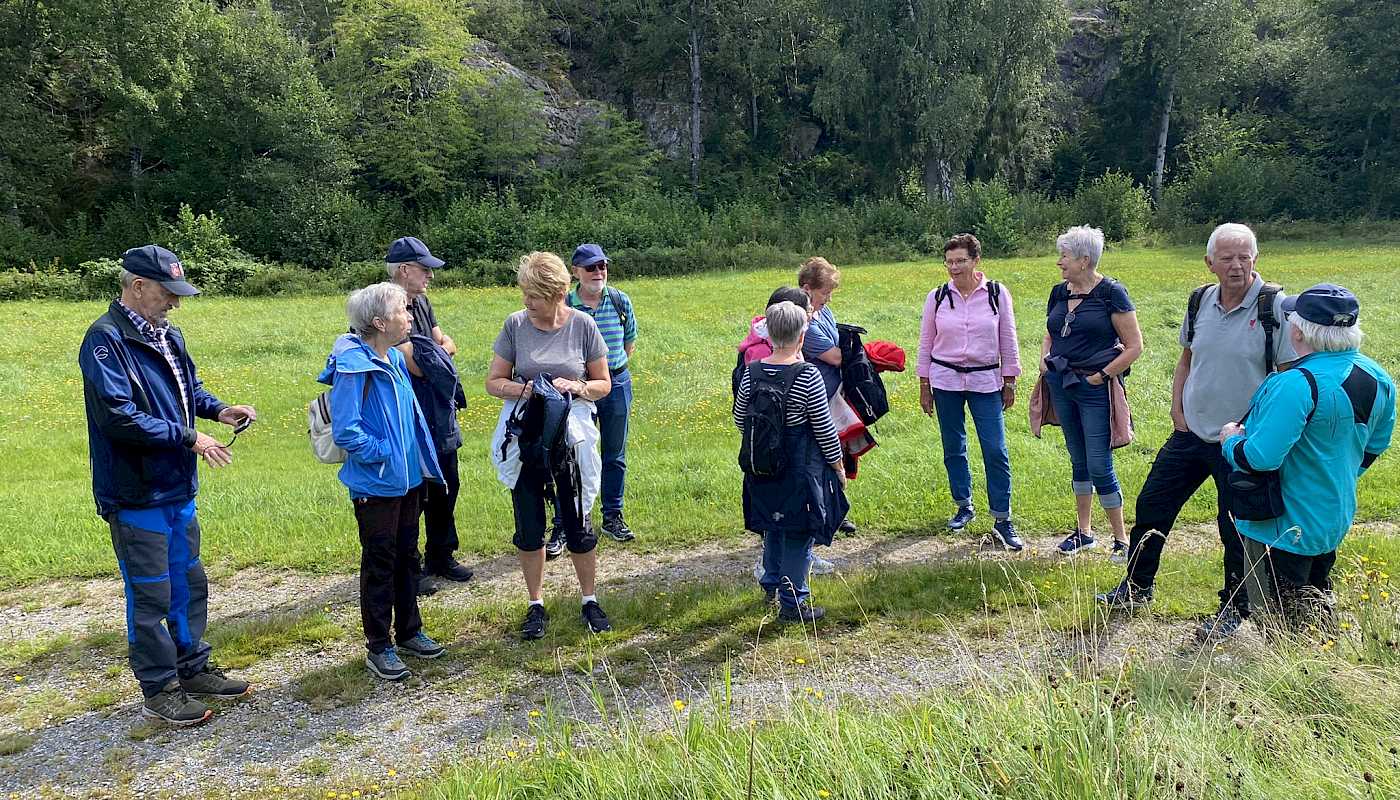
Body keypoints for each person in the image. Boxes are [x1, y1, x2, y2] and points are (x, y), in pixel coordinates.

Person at [79, 245, 255, 726]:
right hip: (136, 493)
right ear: (137, 286)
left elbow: (187, 391)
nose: (174, 303)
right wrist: (190, 436)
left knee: (188, 582)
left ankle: (192, 668)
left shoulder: (167, 335)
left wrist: (219, 410)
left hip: (177, 487)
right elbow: (119, 417)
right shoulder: (104, 341)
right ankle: (159, 690)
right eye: (166, 293)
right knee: (152, 594)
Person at [1097, 223, 1295, 642]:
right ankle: (1135, 588)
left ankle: (1234, 608)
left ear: (1256, 259)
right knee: (1153, 505)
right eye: (1227, 258)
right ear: (1210, 263)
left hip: (1241, 441)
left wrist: (1255, 430)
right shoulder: (1199, 301)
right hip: (1191, 433)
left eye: (1245, 256)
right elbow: (1187, 359)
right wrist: (1177, 408)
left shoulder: (1273, 307)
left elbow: (1289, 377)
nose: (1237, 265)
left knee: (1235, 526)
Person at [1220, 284, 1394, 636]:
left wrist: (1229, 440)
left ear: (1300, 331)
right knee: (1315, 606)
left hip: (1281, 525)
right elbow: (1374, 447)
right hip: (1332, 516)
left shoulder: (1295, 384)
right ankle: (1322, 672)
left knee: (1278, 624)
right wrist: (1331, 474)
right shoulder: (1379, 377)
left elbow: (1259, 459)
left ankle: (1292, 684)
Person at [320, 282, 447, 681]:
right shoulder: (353, 366)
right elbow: (346, 430)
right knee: (380, 562)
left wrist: (413, 460)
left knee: (408, 556)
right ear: (379, 321)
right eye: (402, 311)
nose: (409, 316)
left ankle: (410, 632)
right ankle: (379, 646)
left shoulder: (391, 357)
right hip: (376, 484)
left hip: (408, 479)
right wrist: (385, 453)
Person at [487, 252, 613, 640]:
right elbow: (493, 381)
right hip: (527, 432)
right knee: (528, 523)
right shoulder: (514, 325)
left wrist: (577, 387)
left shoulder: (583, 326)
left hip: (571, 433)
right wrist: (523, 389)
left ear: (557, 293)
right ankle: (535, 603)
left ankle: (589, 599)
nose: (526, 302)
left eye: (534, 295)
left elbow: (603, 384)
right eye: (524, 294)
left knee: (578, 520)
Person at [733, 300, 849, 622]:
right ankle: (793, 602)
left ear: (769, 335)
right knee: (799, 531)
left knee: (772, 525)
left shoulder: (751, 372)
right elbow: (824, 429)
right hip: (798, 469)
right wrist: (838, 466)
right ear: (801, 338)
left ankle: (770, 585)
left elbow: (741, 419)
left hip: (762, 467)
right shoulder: (807, 375)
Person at [1040, 225, 1143, 561]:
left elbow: (1134, 346)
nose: (1059, 262)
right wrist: (1044, 362)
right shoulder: (1058, 293)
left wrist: (1101, 377)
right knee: (1078, 459)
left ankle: (1121, 539)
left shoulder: (1111, 293)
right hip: (1062, 385)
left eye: (1064, 256)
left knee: (1100, 464)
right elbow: (1050, 332)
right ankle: (1083, 533)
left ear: (1084, 260)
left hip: (1093, 388)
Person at [917, 233, 1024, 551]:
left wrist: (1010, 380)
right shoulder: (936, 297)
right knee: (953, 447)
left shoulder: (995, 293)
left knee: (995, 449)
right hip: (945, 380)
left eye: (960, 261)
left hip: (986, 381)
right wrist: (924, 385)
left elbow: (1008, 337)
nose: (953, 268)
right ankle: (963, 505)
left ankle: (1003, 518)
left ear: (976, 260)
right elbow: (926, 341)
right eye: (949, 262)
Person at [385, 236, 473, 595]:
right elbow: (416, 364)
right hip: (408, 414)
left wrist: (435, 351)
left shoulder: (421, 303)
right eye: (424, 270)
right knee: (414, 494)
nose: (430, 277)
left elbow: (444, 343)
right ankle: (410, 567)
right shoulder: (384, 305)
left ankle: (441, 555)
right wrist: (434, 352)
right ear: (404, 270)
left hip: (438, 411)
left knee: (446, 485)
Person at [548, 243, 638, 550]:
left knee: (615, 454)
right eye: (591, 267)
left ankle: (612, 516)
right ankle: (563, 523)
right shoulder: (565, 304)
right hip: (574, 388)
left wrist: (610, 375)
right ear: (575, 272)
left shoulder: (619, 300)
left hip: (616, 382)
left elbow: (629, 341)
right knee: (567, 457)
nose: (598, 272)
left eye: (602, 266)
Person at [797, 257, 857, 536]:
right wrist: (853, 356)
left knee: (838, 454)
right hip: (814, 399)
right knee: (820, 459)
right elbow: (834, 355)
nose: (829, 299)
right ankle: (821, 514)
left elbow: (837, 345)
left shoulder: (823, 313)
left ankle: (836, 511)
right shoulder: (801, 321)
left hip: (834, 395)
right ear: (807, 289)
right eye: (825, 293)